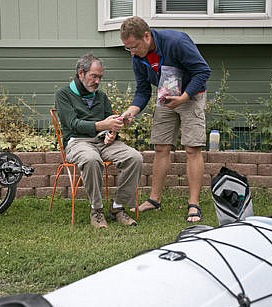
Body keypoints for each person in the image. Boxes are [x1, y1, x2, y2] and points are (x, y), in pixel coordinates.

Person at [120, 16, 211, 223]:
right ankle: (154, 200)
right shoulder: (137, 57)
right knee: (161, 147)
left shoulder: (176, 42)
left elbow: (203, 71)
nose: (132, 52)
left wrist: (184, 98)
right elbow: (143, 90)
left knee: (192, 148)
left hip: (191, 95)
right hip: (166, 97)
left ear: (146, 36)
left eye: (134, 47)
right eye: (128, 49)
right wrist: (131, 111)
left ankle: (194, 204)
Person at [55, 53, 142, 229]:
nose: (97, 81)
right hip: (77, 142)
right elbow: (72, 124)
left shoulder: (101, 96)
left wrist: (112, 133)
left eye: (100, 77)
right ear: (81, 73)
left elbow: (109, 123)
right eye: (93, 76)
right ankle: (96, 210)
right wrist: (102, 125)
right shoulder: (63, 94)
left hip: (102, 142)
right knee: (91, 159)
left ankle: (118, 207)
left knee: (135, 157)